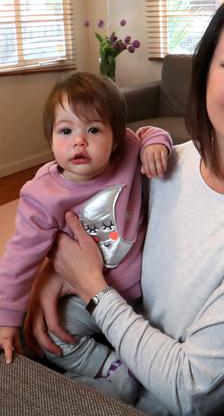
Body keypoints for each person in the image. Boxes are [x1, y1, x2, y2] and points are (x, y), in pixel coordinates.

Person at [25, 0, 224, 415]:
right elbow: (94, 224)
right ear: (206, 72)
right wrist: (51, 269)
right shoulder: (168, 163)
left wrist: (90, 286)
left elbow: (190, 392)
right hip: (99, 350)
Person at [0, 72, 172, 404]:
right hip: (81, 297)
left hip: (143, 291)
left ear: (117, 137)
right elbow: (19, 260)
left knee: (159, 336)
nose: (79, 141)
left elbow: (151, 132)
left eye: (93, 130)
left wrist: (155, 144)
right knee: (50, 337)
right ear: (50, 137)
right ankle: (112, 368)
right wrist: (6, 318)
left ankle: (131, 363)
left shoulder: (129, 151)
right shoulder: (42, 195)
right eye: (66, 131)